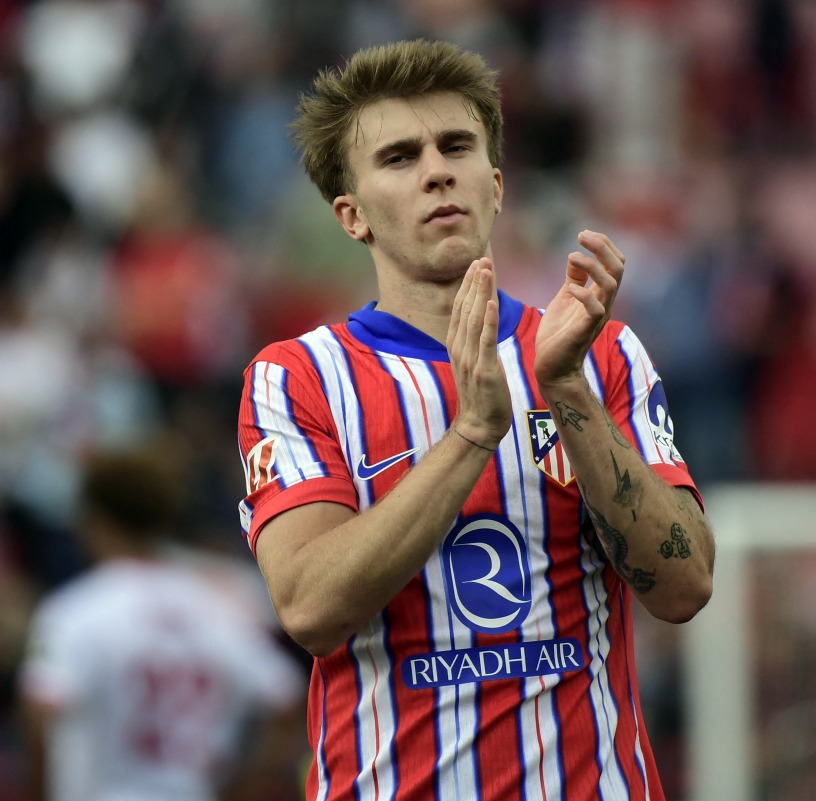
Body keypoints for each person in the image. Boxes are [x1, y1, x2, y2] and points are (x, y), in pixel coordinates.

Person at [235, 38, 716, 801]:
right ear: (351, 215)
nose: (435, 169)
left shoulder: (601, 352)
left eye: (455, 145)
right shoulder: (298, 378)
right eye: (399, 157)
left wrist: (567, 393)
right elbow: (310, 607)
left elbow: (685, 583)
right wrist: (468, 438)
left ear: (494, 184)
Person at [17, 446, 306, 801]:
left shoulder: (75, 611)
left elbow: (40, 713)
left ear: (94, 518)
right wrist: (239, 787)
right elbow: (287, 702)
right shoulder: (217, 606)